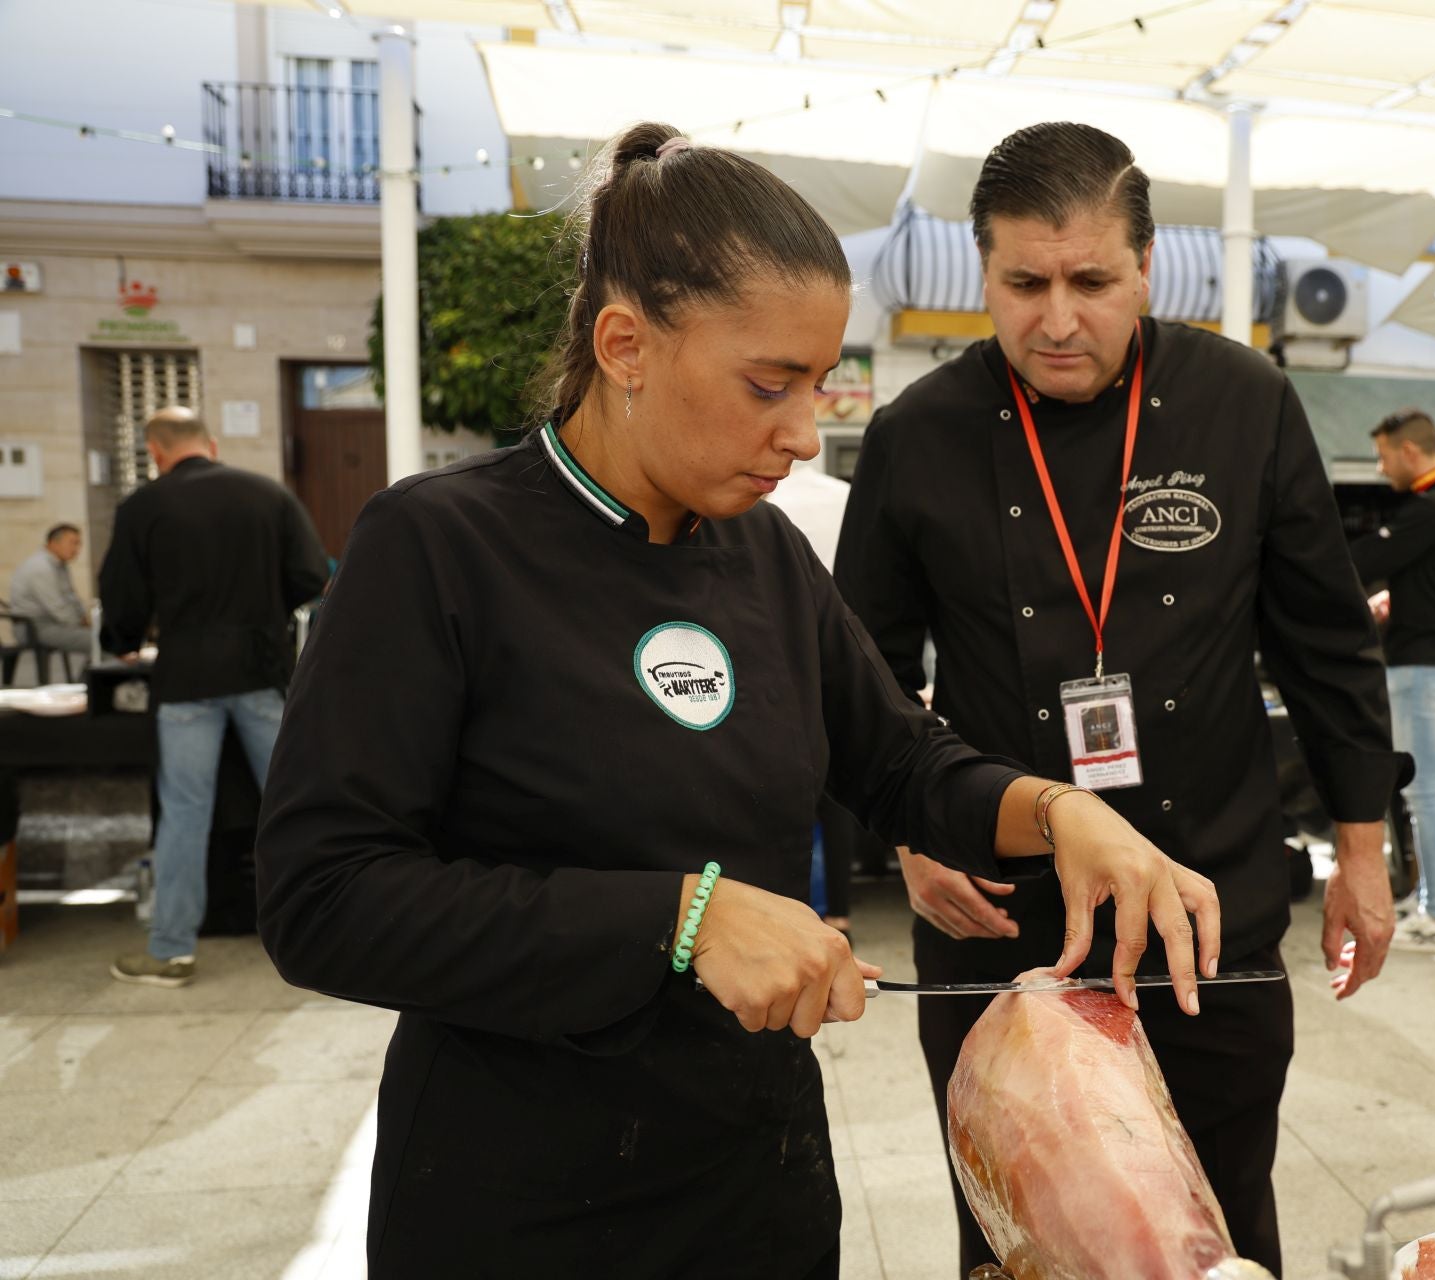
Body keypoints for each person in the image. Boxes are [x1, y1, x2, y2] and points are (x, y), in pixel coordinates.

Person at [252, 123, 1219, 1280]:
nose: (803, 436)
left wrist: (1061, 813)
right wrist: (682, 916)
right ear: (626, 345)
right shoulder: (439, 545)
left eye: (816, 385)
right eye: (768, 385)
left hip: (756, 1188)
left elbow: (901, 761)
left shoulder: (760, 553)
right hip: (522, 1200)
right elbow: (322, 897)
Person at [834, 122, 1403, 1279]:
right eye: (1023, 282)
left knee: (1218, 1229)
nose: (1056, 318)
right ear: (981, 272)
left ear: (1147, 266)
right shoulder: (918, 433)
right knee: (1016, 1244)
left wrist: (1364, 850)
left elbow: (1328, 646)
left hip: (1211, 910)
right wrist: (906, 840)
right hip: (1000, 920)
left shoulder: (1244, 401)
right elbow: (864, 674)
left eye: (1091, 281)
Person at [97, 408, 328, 987]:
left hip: (185, 679)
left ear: (155, 451)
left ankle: (172, 950)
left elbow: (121, 596)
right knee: (298, 802)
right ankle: (333, 935)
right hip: (260, 667)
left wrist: (123, 640)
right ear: (212, 443)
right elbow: (310, 577)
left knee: (184, 814)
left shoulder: (142, 507)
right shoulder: (267, 494)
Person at [1348, 408, 1435, 956]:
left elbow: (1368, 556)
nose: (1382, 469)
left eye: (1383, 457)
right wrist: (1396, 599)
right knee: (1416, 788)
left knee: (1426, 789)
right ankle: (1424, 898)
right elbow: (1433, 577)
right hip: (1423, 654)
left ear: (1409, 451)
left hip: (1427, 661)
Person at [765, 464, 866, 940]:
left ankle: (791, 909)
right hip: (840, 642)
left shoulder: (765, 504)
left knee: (791, 784)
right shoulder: (841, 497)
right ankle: (839, 912)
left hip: (782, 650)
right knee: (835, 794)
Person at [7, 522, 91, 678]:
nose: (76, 549)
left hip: (53, 623)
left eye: (79, 544)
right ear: (54, 543)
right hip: (35, 627)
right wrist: (81, 625)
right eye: (72, 543)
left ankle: (86, 682)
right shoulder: (41, 567)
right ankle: (89, 687)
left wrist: (84, 618)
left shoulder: (59, 565)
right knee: (96, 641)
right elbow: (58, 608)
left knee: (100, 638)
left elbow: (71, 597)